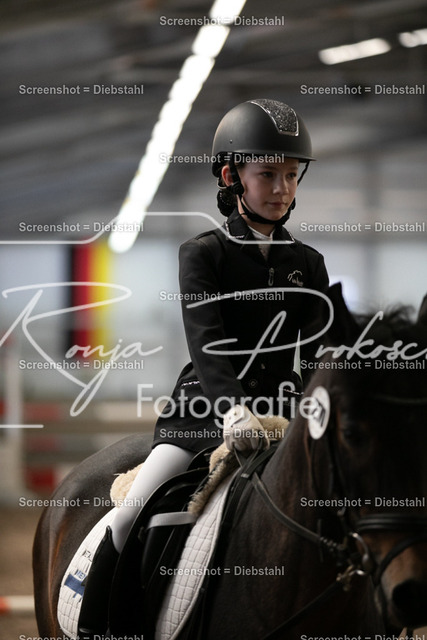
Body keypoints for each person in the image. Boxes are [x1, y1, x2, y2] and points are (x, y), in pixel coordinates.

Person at [77, 98, 329, 637]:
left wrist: (317, 408)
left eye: (291, 175)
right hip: (203, 415)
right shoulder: (203, 253)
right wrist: (233, 409)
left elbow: (314, 353)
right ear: (232, 176)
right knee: (131, 513)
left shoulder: (309, 264)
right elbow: (207, 341)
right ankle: (103, 628)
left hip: (284, 417)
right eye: (268, 174)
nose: (283, 188)